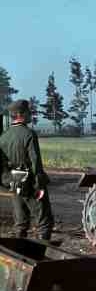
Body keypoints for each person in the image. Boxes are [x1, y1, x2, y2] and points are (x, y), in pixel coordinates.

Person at [0, 99, 54, 240]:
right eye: (28, 112)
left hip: (14, 181)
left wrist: (8, 180)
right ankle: (43, 253)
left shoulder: (3, 137)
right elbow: (35, 162)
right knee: (44, 221)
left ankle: (19, 252)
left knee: (21, 222)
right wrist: (40, 185)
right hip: (30, 182)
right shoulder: (29, 134)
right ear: (20, 114)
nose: (31, 114)